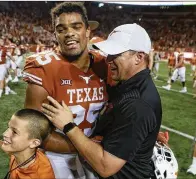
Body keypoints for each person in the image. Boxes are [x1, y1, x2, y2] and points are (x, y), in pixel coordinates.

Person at [41, 23, 162, 179]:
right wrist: (145, 133)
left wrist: (68, 125)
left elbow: (105, 166)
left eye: (115, 54)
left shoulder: (137, 105)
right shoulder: (130, 85)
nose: (108, 60)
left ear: (138, 57)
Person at [22, 2, 110, 178]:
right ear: (56, 34)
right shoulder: (45, 68)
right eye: (61, 29)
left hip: (93, 153)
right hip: (57, 158)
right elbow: (31, 132)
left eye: (76, 27)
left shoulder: (104, 64)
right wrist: (84, 145)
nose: (69, 33)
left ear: (87, 31)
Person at [0, 109, 55, 179]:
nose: (5, 134)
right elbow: (10, 152)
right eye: (8, 127)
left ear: (34, 143)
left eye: (15, 132)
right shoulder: (22, 154)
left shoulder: (39, 175)